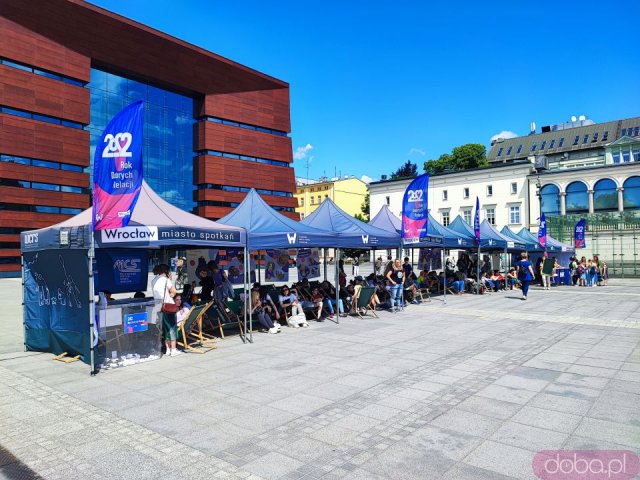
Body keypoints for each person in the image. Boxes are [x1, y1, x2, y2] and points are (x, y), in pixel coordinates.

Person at [152, 264, 181, 356]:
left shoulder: (153, 280)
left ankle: (168, 349)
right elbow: (174, 291)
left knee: (164, 328)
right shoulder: (166, 280)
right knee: (172, 328)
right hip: (168, 307)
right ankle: (173, 349)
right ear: (166, 271)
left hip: (158, 308)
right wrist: (171, 295)